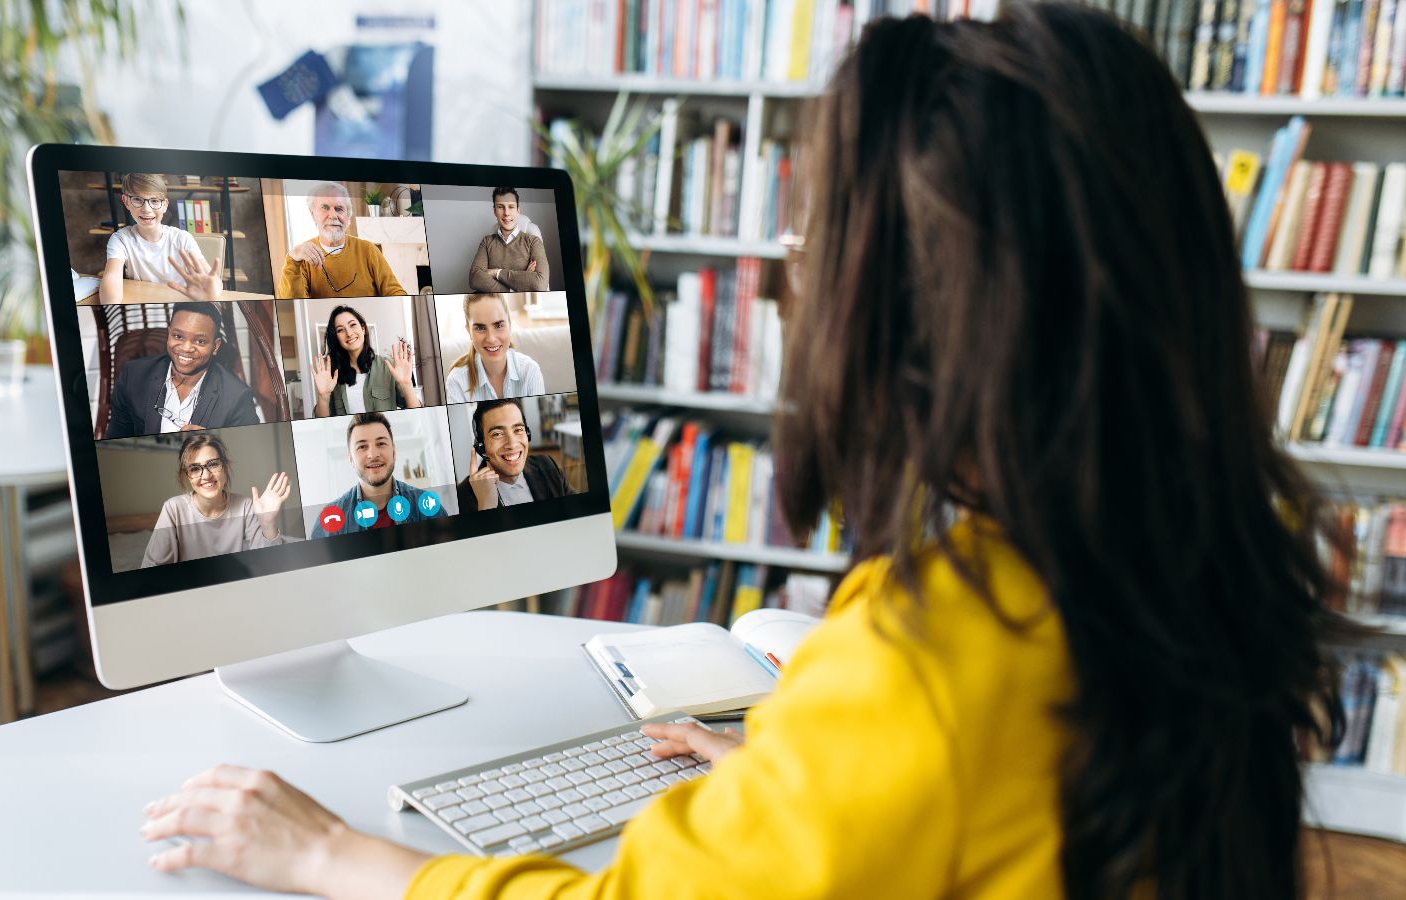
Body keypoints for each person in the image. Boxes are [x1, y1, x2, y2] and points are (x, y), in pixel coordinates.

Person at [139, 7, 1341, 899]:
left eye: (819, 240)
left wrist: (336, 853)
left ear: (920, 322)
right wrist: (803, 784)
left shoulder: (934, 660)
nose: (789, 273)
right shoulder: (1195, 569)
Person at [105, 302, 260, 439]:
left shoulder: (238, 397)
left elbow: (249, 455)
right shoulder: (133, 376)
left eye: (200, 341)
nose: (186, 348)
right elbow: (114, 440)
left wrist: (213, 443)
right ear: (169, 334)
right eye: (178, 336)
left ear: (215, 346)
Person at [140, 434, 293, 567]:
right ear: (187, 476)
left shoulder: (245, 506)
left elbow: (270, 563)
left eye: (213, 464)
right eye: (194, 468)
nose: (206, 476)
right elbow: (151, 568)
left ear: (225, 468)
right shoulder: (173, 509)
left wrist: (267, 524)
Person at [98, 172, 223, 304]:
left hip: (179, 306)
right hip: (144, 306)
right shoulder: (121, 239)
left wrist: (212, 291)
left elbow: (211, 279)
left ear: (165, 205)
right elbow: (111, 278)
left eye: (155, 201)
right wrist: (112, 307)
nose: (146, 209)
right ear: (126, 201)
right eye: (137, 199)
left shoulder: (182, 238)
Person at [306, 412, 437, 538]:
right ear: (351, 459)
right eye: (362, 446)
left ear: (394, 452)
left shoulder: (427, 506)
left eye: (381, 444)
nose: (373, 455)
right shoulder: (329, 521)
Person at [279, 182, 407, 299]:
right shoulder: (302, 258)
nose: (333, 215)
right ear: (313, 214)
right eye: (325, 207)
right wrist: (292, 259)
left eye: (339, 209)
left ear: (348, 215)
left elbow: (396, 293)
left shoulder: (368, 250)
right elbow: (291, 303)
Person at [456, 399, 573, 511]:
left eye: (518, 429)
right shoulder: (462, 496)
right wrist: (486, 506)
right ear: (481, 446)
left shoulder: (547, 465)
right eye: (497, 434)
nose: (512, 444)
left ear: (527, 434)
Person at [310, 304, 422, 416]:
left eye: (352, 325)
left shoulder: (388, 367)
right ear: (336, 338)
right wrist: (323, 397)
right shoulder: (332, 376)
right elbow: (323, 423)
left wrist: (406, 384)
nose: (349, 333)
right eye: (340, 330)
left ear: (363, 329)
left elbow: (417, 416)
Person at [443, 293, 545, 403]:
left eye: (498, 325)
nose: (491, 338)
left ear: (510, 325)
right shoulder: (457, 381)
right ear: (468, 330)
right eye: (480, 328)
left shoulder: (530, 371)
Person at [468, 187, 550, 293]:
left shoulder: (533, 241)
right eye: (500, 207)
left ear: (518, 211)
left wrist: (496, 273)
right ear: (495, 211)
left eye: (511, 207)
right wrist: (518, 285)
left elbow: (539, 284)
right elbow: (475, 279)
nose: (506, 213)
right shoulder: (487, 242)